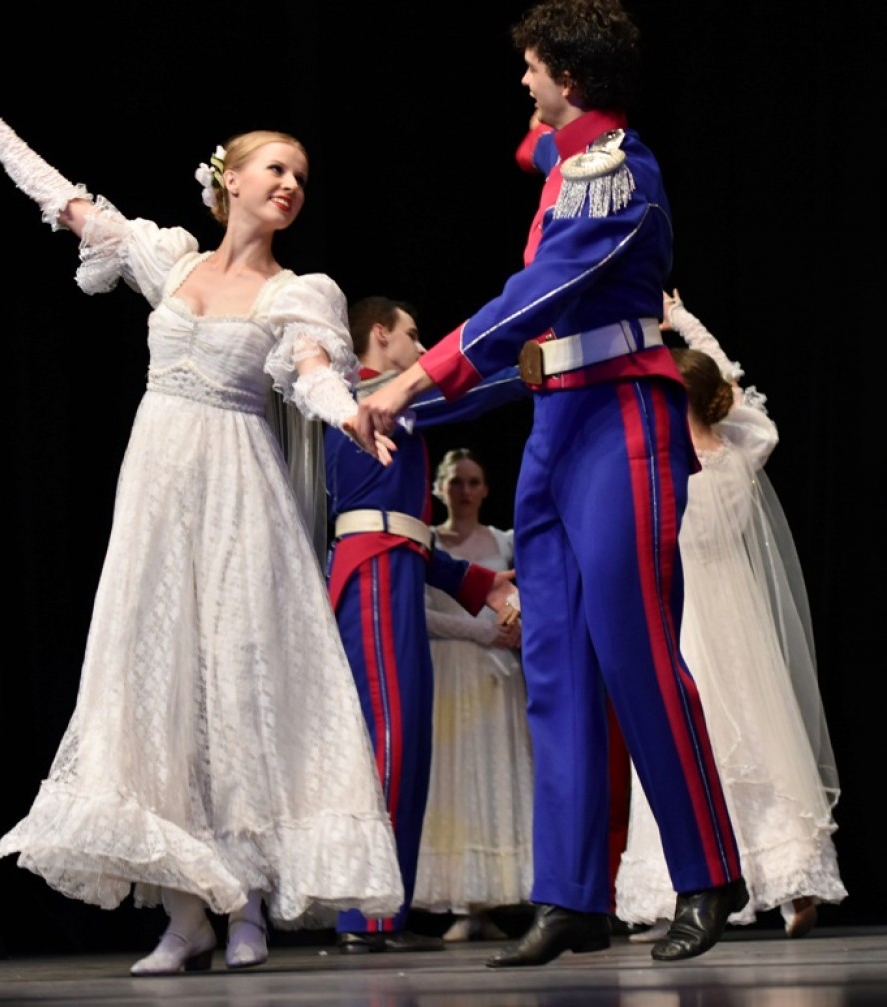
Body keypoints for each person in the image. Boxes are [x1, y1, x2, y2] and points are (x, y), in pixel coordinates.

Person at [0, 94, 404, 976]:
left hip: (237, 493)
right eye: (276, 168)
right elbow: (71, 206)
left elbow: (312, 372)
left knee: (236, 677)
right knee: (155, 681)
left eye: (301, 176)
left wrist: (349, 413)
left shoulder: (297, 292)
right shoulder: (171, 260)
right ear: (231, 180)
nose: (291, 184)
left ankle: (247, 906)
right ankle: (187, 917)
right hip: (156, 489)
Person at [347, 0, 749, 966]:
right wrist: (407, 404)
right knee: (556, 663)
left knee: (636, 650)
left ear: (568, 78)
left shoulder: (620, 172)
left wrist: (412, 377)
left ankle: (708, 872)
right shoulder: (572, 165)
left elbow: (537, 295)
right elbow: (533, 317)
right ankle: (571, 895)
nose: (522, 83)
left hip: (623, 422)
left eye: (533, 68)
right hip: (559, 424)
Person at [614, 291, 847, 942]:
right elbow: (733, 388)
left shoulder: (659, 465)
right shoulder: (744, 448)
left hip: (688, 615)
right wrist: (687, 323)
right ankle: (789, 883)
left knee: (691, 742)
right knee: (754, 739)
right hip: (733, 618)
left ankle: (687, 890)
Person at [325, 297, 528, 953]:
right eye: (413, 335)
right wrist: (538, 361)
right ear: (379, 335)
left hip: (395, 568)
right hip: (373, 574)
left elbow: (411, 531)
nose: (421, 348)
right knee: (389, 735)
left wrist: (480, 583)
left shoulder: (386, 403)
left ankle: (386, 909)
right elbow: (469, 390)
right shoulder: (368, 396)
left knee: (407, 741)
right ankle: (367, 913)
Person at [412, 448, 533, 942]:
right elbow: (415, 611)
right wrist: (479, 632)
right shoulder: (426, 542)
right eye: (455, 481)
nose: (464, 491)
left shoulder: (503, 542)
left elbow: (527, 595)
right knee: (452, 780)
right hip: (446, 669)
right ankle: (461, 901)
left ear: (485, 489)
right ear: (439, 487)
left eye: (473, 481)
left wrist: (518, 625)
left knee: (494, 774)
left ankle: (494, 898)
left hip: (494, 678)